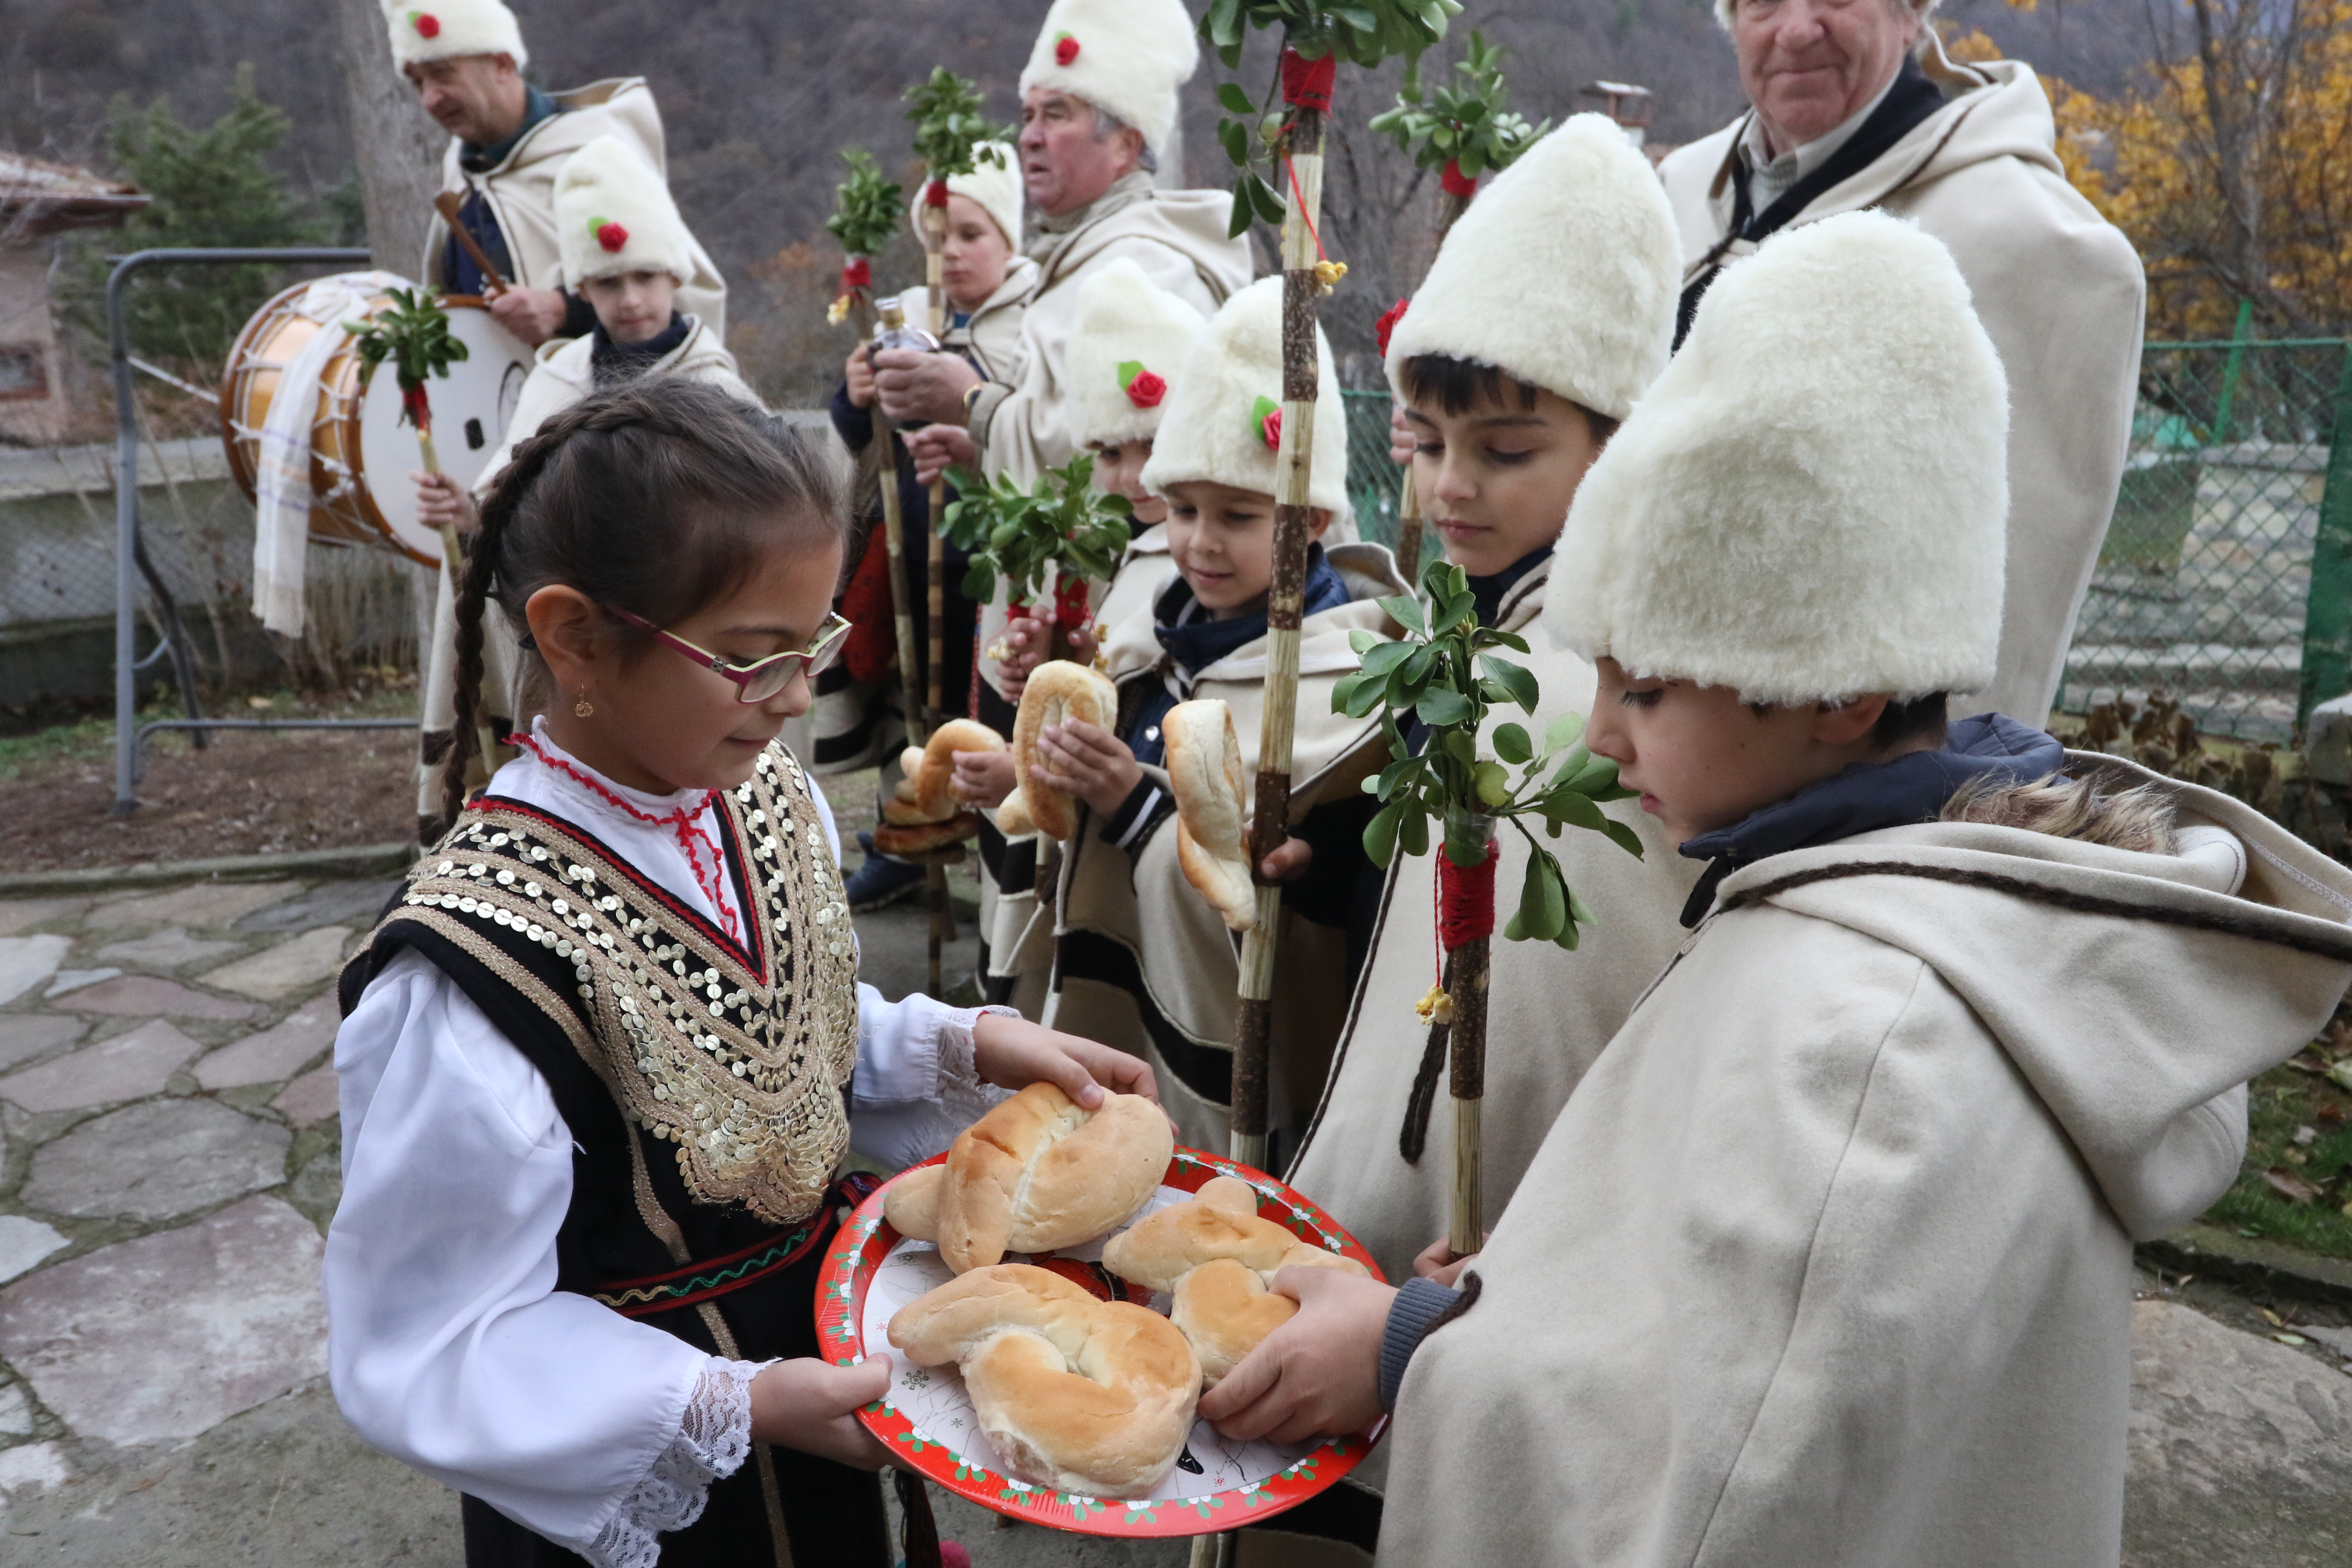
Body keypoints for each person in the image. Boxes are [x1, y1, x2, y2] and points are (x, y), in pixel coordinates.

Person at [1197, 213, 2352, 1568]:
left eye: (1645, 687)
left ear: (1841, 688)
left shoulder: (1861, 1037)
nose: (1609, 737)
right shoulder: (1887, 909)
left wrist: (1410, 1355)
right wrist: (1515, 1292)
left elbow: (1735, 1467)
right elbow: (1712, 1317)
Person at [328, 380, 1157, 1567]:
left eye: (812, 645)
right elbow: (436, 1343)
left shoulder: (757, 791)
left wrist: (964, 1045)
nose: (797, 695)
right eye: (749, 657)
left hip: (819, 1371)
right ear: (574, 639)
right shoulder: (471, 977)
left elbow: (768, 1035)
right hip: (633, 1462)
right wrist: (735, 1407)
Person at [1657, 0, 2144, 728]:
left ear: (1910, 12)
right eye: (1762, 2)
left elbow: (2009, 594)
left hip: (1830, 771)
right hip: (1632, 729)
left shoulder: (2027, 242)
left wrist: (1930, 813)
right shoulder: (1682, 189)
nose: (1795, 29)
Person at [1023, 275, 1405, 1154]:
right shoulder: (1152, 642)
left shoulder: (1348, 675)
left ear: (1309, 520)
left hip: (1250, 1058)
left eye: (1239, 515)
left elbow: (1306, 891)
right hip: (1126, 993)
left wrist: (1139, 807)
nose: (1198, 542)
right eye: (1184, 510)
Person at [412, 135, 760, 843]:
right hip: (581, 641)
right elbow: (511, 490)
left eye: (643, 277)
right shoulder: (560, 376)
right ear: (582, 291)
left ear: (673, 274)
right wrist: (470, 512)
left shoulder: (718, 389)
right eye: (607, 284)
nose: (630, 300)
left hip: (682, 634)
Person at [959, 258, 1207, 1014]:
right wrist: (1054, 665)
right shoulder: (1129, 547)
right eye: (1109, 453)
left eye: (1149, 446)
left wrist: (1024, 775)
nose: (1131, 476)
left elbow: (1137, 727)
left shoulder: (1196, 560)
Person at [821, 145, 1035, 909]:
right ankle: (906, 837)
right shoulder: (905, 317)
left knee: (971, 706)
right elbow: (861, 435)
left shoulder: (1033, 323)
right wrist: (854, 395)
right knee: (906, 704)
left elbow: (1036, 437)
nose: (951, 252)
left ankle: (984, 850)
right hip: (907, 556)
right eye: (938, 236)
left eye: (971, 234)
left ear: (1009, 241)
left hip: (984, 569)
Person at [389, 0, 726, 349]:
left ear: (502, 64)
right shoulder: (459, 172)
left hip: (601, 400)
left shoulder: (596, 156)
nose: (430, 99)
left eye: (444, 74)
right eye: (418, 84)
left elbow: (680, 295)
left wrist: (563, 309)